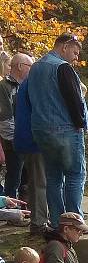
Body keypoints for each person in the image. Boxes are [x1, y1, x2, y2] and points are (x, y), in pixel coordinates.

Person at [26, 34, 88, 225]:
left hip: (41, 130)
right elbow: (74, 100)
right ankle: (74, 221)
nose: (76, 58)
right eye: (75, 52)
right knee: (75, 174)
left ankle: (56, 222)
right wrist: (82, 124)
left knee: (53, 177)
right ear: (64, 47)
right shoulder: (62, 67)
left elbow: (30, 99)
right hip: (65, 129)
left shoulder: (35, 67)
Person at [14, 77, 50, 234]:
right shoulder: (36, 84)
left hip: (29, 139)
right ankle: (39, 223)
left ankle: (41, 219)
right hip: (34, 141)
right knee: (38, 182)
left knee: (38, 182)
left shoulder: (27, 85)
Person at [0, 53, 33, 199]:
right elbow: (5, 117)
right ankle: (12, 211)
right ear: (20, 66)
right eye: (30, 66)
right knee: (14, 177)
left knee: (27, 179)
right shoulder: (4, 87)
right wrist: (17, 139)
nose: (32, 70)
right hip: (13, 141)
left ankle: (25, 209)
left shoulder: (27, 87)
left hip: (27, 140)